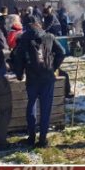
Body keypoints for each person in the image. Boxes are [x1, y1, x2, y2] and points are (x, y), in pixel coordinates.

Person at [11, 19, 65, 148]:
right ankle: (42, 139)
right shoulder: (49, 36)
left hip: (32, 78)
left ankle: (31, 137)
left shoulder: (24, 39)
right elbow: (61, 52)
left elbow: (18, 59)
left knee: (31, 107)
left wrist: (19, 74)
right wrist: (54, 66)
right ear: (38, 25)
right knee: (46, 109)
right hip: (47, 77)